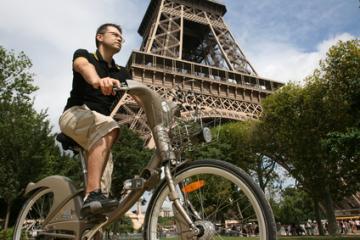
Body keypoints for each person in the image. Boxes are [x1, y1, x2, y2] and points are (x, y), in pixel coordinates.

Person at [59, 23, 130, 215]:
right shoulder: (85, 55)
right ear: (100, 37)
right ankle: (91, 193)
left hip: (100, 129)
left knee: (101, 205)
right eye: (114, 34)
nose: (119, 38)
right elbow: (83, 67)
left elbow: (140, 96)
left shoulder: (122, 72)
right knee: (110, 125)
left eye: (121, 37)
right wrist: (97, 80)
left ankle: (92, 212)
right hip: (75, 114)